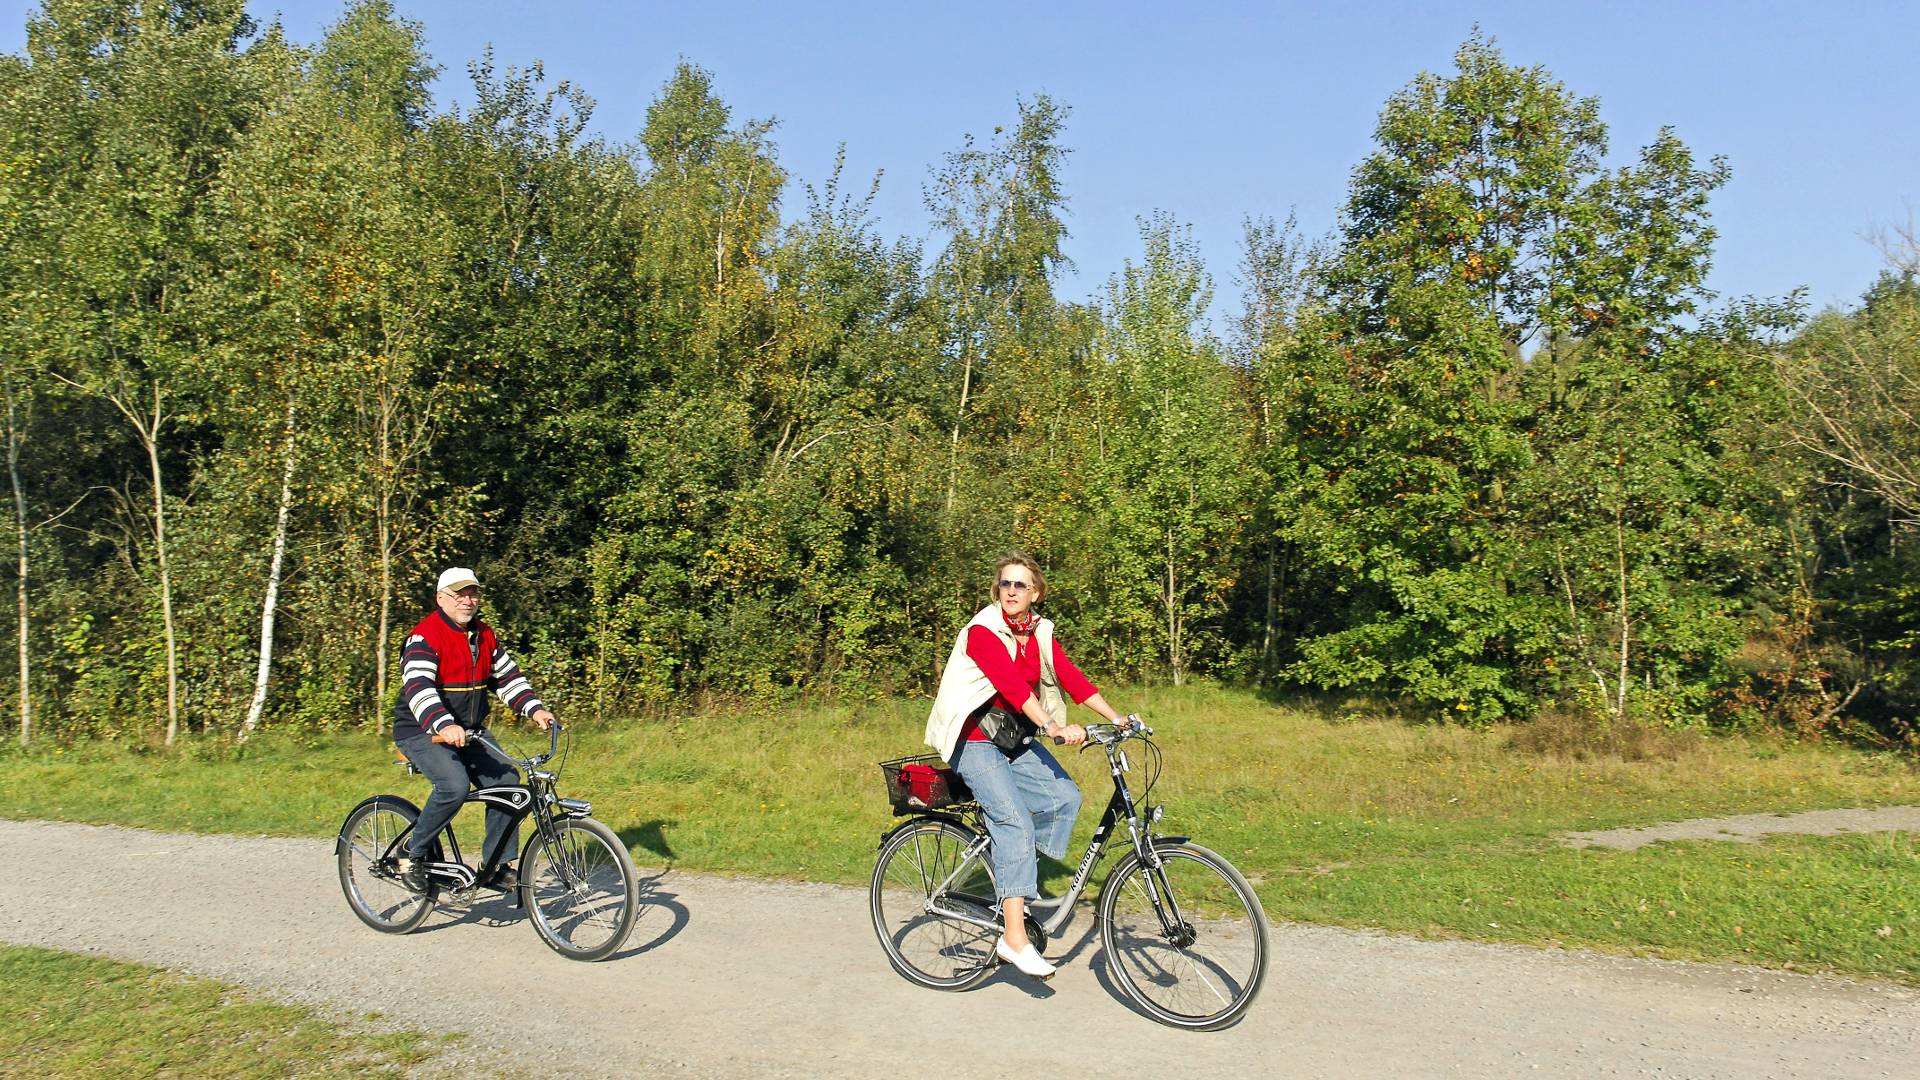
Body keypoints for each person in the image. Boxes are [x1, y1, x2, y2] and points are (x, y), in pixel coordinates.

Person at [923, 553, 1129, 980]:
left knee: (1064, 796)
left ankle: (1013, 883)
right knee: (1014, 825)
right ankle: (1013, 939)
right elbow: (1012, 687)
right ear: (997, 590)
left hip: (1012, 737)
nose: (1012, 591)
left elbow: (1071, 676)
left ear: (1036, 592)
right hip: (975, 740)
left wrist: (1115, 718)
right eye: (1005, 584)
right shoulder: (982, 631)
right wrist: (1052, 725)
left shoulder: (1038, 632)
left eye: (1020, 585)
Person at [394, 567, 554, 892]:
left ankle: (495, 865)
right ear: (441, 598)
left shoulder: (485, 636)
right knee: (453, 787)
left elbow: (507, 678)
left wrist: (534, 708)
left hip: (468, 731)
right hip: (422, 730)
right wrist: (444, 723)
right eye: (459, 594)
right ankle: (410, 854)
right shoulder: (424, 637)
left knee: (508, 783)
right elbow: (418, 687)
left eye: (472, 593)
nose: (467, 600)